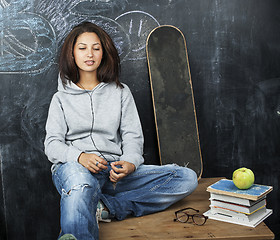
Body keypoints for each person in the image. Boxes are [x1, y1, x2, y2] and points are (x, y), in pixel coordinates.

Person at [44, 21, 198, 240]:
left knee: (186, 178)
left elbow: (133, 137)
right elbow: (52, 145)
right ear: (72, 54)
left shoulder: (120, 92)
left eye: (96, 48)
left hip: (113, 172)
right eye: (82, 48)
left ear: (104, 53)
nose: (90, 54)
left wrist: (130, 162)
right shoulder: (60, 98)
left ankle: (107, 207)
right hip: (74, 169)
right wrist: (80, 157)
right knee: (81, 184)